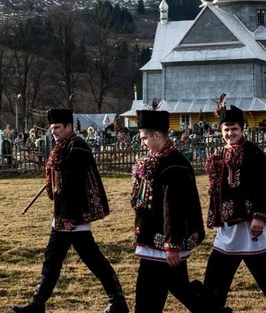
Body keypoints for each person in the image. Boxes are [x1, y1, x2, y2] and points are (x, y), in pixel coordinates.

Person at [13, 109, 128, 313]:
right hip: (64, 215)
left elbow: (74, 183)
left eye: (57, 127)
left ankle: (118, 302)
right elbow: (63, 180)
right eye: (52, 128)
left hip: (73, 216)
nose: (54, 131)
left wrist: (68, 215)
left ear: (69, 127)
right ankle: (37, 304)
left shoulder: (77, 147)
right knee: (55, 258)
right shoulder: (65, 146)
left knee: (91, 260)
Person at [203, 94, 266, 313]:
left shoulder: (255, 155)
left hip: (249, 224)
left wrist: (259, 215)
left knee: (264, 271)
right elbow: (216, 192)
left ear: (242, 129)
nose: (230, 133)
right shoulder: (219, 155)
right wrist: (215, 216)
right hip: (228, 226)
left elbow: (262, 187)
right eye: (226, 129)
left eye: (234, 129)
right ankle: (213, 307)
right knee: (217, 268)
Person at [130, 109, 214, 313]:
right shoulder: (160, 160)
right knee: (172, 289)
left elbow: (174, 208)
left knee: (160, 293)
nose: (142, 143)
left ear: (157, 135)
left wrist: (172, 244)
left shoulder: (174, 165)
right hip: (155, 240)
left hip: (164, 242)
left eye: (144, 138)